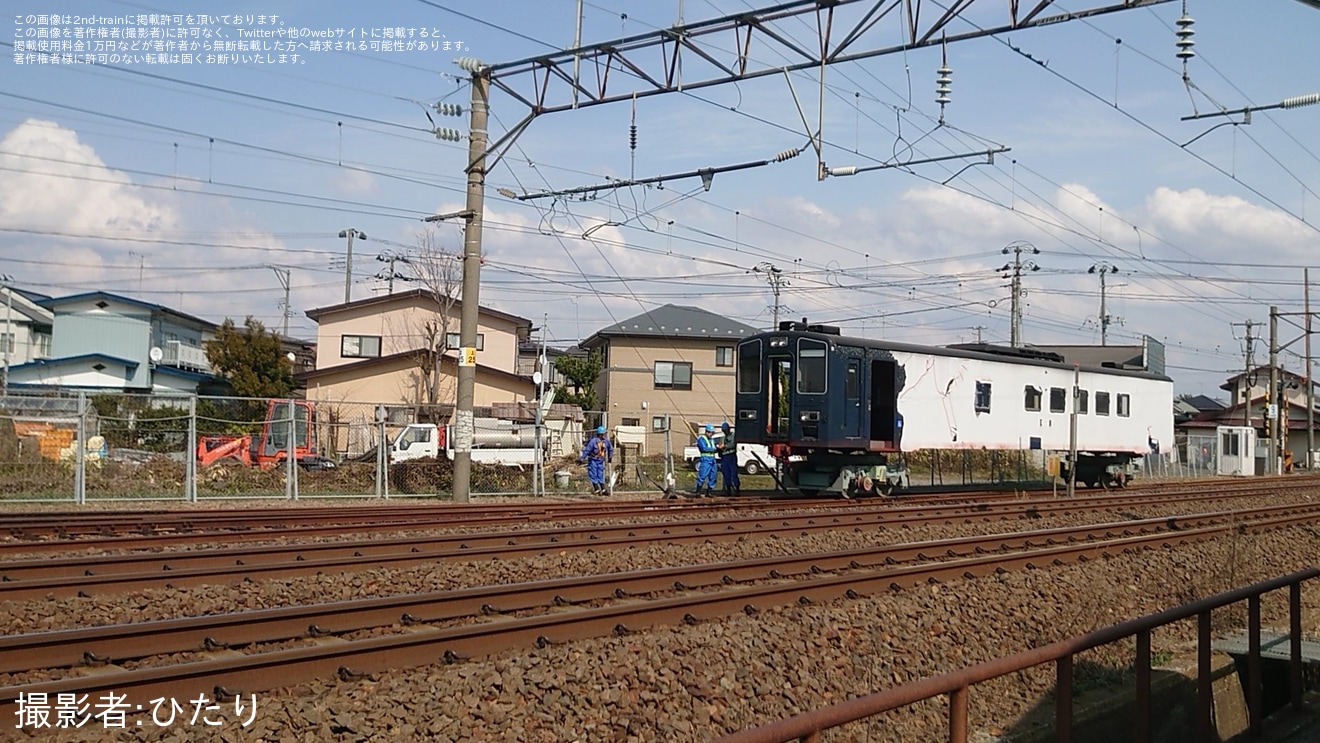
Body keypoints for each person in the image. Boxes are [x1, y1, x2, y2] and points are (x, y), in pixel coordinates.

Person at [578, 425, 614, 494]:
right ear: (599, 434)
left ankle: (603, 489)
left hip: (600, 460)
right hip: (593, 460)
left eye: (604, 434)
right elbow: (587, 450)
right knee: (593, 473)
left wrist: (610, 457)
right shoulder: (593, 441)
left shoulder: (606, 441)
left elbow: (610, 449)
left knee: (600, 474)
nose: (603, 435)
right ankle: (596, 488)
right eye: (602, 434)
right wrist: (581, 459)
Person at [694, 423, 718, 497]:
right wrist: (714, 449)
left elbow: (714, 448)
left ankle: (709, 492)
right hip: (705, 460)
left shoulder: (712, 440)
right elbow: (703, 448)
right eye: (710, 432)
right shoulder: (701, 439)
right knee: (702, 475)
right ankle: (698, 491)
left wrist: (718, 449)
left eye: (712, 432)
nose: (711, 434)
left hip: (712, 460)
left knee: (713, 476)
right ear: (706, 432)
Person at [718, 421, 740, 496]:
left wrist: (725, 446)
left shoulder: (733, 436)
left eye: (726, 429)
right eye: (724, 430)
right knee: (726, 473)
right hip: (724, 456)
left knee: (733, 473)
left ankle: (736, 488)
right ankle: (728, 489)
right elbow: (720, 445)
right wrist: (720, 449)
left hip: (731, 456)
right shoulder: (722, 438)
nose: (725, 431)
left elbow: (733, 444)